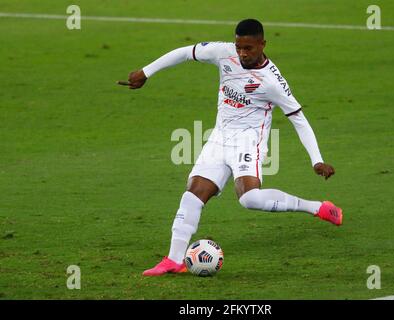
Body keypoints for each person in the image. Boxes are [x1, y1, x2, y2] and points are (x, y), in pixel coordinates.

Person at [118, 19, 343, 276]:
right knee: (192, 194)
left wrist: (317, 159)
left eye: (248, 48)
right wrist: (146, 72)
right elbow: (185, 52)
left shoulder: (271, 82)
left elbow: (299, 119)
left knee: (250, 199)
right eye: (239, 47)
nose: (242, 53)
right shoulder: (224, 53)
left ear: (262, 44)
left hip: (248, 142)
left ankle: (317, 208)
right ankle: (174, 260)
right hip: (219, 138)